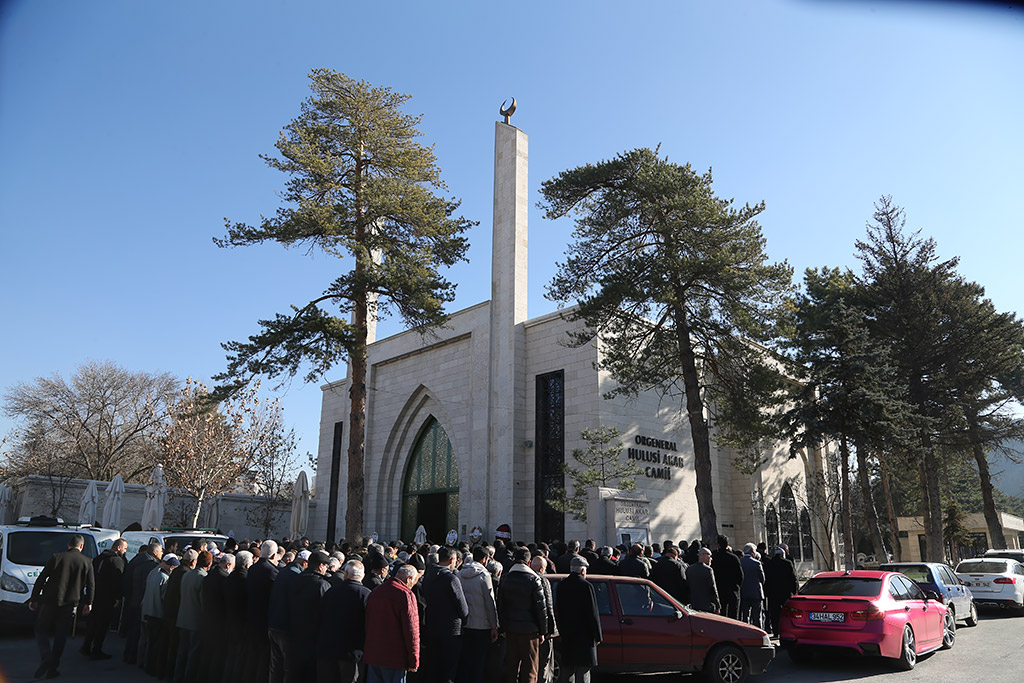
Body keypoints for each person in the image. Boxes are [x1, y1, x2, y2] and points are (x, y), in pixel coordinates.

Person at [29, 533, 95, 679]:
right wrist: (89, 603)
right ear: (82, 546)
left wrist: (34, 598)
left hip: (50, 600)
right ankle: (53, 667)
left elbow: (41, 578)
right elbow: (91, 585)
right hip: (70, 603)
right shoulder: (87, 561)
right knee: (61, 634)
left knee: (41, 630)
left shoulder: (56, 557)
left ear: (68, 545)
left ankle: (46, 656)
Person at [497, 547, 547, 683]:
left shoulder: (505, 578)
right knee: (530, 668)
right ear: (528, 562)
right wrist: (543, 631)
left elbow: (500, 606)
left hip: (511, 629)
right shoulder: (534, 580)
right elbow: (541, 609)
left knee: (511, 667)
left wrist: (502, 627)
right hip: (530, 631)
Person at [363, 563, 421, 682]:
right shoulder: (405, 594)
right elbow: (411, 630)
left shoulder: (376, 591)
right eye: (415, 581)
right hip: (395, 658)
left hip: (374, 654)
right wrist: (414, 660)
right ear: (409, 579)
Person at [317, 560, 371, 683]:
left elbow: (320, 616)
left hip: (328, 648)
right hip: (353, 652)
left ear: (345, 574)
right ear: (362, 575)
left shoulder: (331, 591)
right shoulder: (366, 594)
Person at [421, 547, 469, 683]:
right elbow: (462, 605)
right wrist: (465, 620)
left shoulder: (428, 576)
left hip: (432, 625)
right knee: (449, 668)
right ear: (452, 560)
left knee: (434, 666)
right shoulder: (451, 578)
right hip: (451, 629)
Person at [554, 557, 602, 683]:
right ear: (582, 571)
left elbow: (559, 609)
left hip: (568, 635)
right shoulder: (586, 586)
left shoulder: (561, 585)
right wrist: (597, 635)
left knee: (567, 671)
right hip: (584, 637)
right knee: (583, 672)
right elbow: (592, 613)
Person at [80, 537, 127, 660]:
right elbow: (118, 580)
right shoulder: (116, 561)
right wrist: (117, 597)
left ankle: (86, 646)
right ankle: (97, 649)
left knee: (93, 623)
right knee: (102, 624)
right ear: (118, 548)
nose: (125, 551)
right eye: (125, 548)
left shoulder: (98, 558)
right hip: (107, 598)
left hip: (95, 595)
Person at [290, 551, 333, 683]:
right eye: (326, 566)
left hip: (296, 632)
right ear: (321, 566)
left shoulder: (296, 579)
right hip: (314, 636)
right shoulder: (322, 585)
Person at [457, 546, 498, 683]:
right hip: (481, 626)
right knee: (478, 664)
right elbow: (489, 603)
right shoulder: (484, 576)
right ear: (485, 559)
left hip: (464, 624)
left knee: (465, 662)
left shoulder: (459, 574)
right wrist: (494, 625)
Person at [174, 550, 211, 683]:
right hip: (195, 622)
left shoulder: (187, 575)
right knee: (193, 653)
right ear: (209, 563)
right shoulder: (203, 578)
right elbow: (203, 603)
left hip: (182, 618)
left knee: (182, 651)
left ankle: (177, 678)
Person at [247, 539, 281, 680]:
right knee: (263, 656)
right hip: (265, 618)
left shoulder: (253, 568)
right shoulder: (273, 572)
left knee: (254, 654)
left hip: (251, 616)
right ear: (274, 556)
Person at [530, 555, 558, 683]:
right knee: (544, 665)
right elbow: (548, 607)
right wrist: (550, 630)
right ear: (542, 569)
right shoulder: (543, 580)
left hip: (526, 629)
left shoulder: (524, 578)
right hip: (542, 630)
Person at [764, 547, 799, 637]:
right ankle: (787, 631)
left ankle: (776, 632)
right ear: (783, 555)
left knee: (774, 613)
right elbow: (793, 579)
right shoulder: (788, 563)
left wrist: (767, 592)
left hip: (773, 593)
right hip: (786, 593)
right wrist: (794, 592)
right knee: (787, 613)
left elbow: (765, 579)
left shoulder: (769, 564)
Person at [711, 535, 743, 620]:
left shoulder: (714, 557)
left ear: (718, 545)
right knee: (733, 615)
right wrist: (737, 587)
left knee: (721, 615)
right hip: (732, 589)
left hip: (719, 589)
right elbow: (740, 575)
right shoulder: (734, 558)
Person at [685, 548, 720, 614]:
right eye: (710, 556)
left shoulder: (689, 569)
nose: (711, 559)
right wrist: (717, 605)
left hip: (694, 605)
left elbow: (687, 587)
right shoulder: (708, 570)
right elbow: (713, 589)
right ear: (704, 555)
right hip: (707, 606)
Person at [738, 543, 765, 627]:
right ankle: (758, 633)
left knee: (745, 615)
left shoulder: (740, 562)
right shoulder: (757, 563)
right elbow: (762, 578)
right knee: (757, 616)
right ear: (752, 552)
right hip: (756, 592)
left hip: (744, 592)